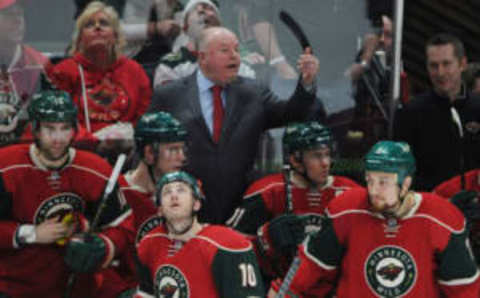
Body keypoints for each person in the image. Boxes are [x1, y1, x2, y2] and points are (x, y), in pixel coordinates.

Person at [149, 26, 319, 224]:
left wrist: (306, 84)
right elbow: (148, 147)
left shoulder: (253, 92)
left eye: (237, 50)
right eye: (225, 50)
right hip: (185, 210)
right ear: (202, 57)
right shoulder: (169, 95)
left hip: (241, 209)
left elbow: (291, 113)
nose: (235, 56)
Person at [268, 141, 480, 297]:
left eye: (383, 182)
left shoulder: (442, 218)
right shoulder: (345, 210)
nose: (373, 190)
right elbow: (304, 275)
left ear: (405, 183)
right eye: (369, 180)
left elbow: (466, 291)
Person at [0, 89, 132, 298]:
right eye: (49, 129)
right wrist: (29, 233)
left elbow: (124, 227)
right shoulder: (5, 167)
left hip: (78, 289)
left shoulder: (96, 169)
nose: (58, 138)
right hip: (14, 288)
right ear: (34, 129)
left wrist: (104, 246)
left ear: (74, 130)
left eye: (65, 129)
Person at [227, 121, 360, 294]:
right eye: (316, 156)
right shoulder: (267, 193)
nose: (326, 163)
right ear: (295, 160)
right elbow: (230, 252)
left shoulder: (350, 193)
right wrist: (265, 239)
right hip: (280, 289)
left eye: (328, 154)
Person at [135, 171, 265, 297]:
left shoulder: (225, 245)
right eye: (167, 192)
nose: (174, 196)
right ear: (160, 210)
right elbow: (146, 294)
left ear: (196, 204)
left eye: (181, 190)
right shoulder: (150, 243)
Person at [49, 1, 151, 138]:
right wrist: (94, 141)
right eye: (89, 25)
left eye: (104, 23)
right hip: (80, 148)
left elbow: (143, 119)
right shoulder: (64, 71)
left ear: (115, 36)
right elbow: (57, 123)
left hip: (127, 148)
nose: (97, 27)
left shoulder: (135, 71)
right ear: (79, 39)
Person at [394, 33, 480, 191]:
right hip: (429, 206)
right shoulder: (411, 113)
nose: (440, 73)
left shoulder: (477, 108)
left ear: (462, 64)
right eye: (434, 65)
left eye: (446, 64)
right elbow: (401, 173)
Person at [153, 0, 256, 87]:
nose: (201, 10)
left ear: (219, 27)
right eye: (194, 9)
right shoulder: (170, 65)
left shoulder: (237, 64)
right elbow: (170, 106)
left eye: (209, 8)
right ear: (185, 27)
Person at [0, 0, 50, 143]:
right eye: (9, 15)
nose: (18, 21)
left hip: (25, 152)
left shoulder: (40, 64)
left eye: (20, 15)